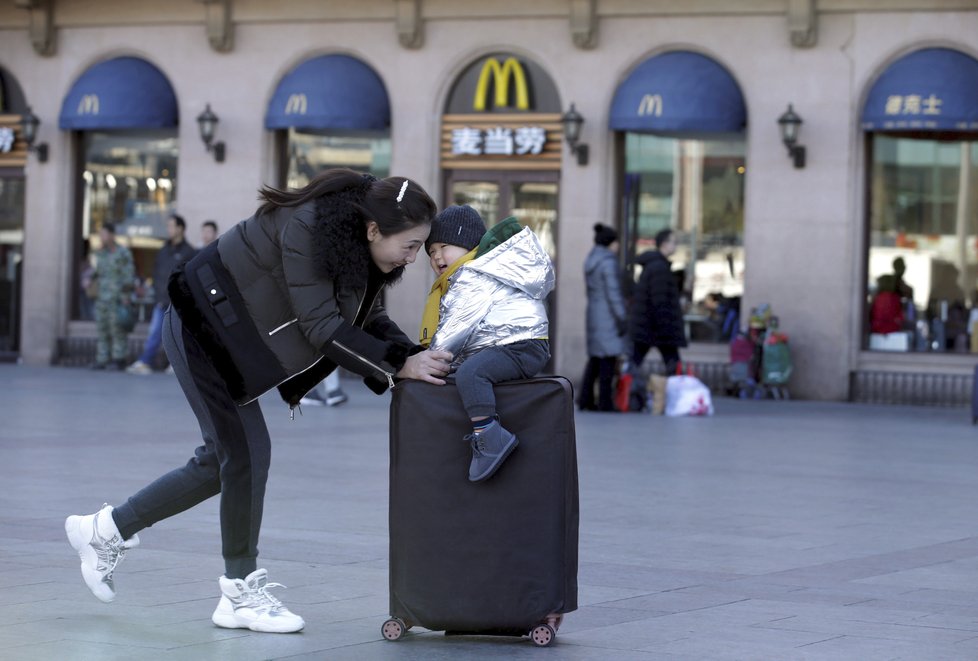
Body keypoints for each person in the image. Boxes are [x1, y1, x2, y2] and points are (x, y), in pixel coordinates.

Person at [65, 169, 452, 633]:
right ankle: (239, 589)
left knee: (222, 462)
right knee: (246, 456)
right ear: (374, 230)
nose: (413, 258)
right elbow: (323, 327)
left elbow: (368, 317)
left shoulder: (360, 250)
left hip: (233, 344)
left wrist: (410, 354)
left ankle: (105, 530)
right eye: (410, 246)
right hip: (200, 331)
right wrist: (397, 366)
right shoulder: (309, 228)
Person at [420, 205, 553, 482]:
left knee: (472, 373)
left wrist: (429, 361)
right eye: (431, 252)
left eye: (444, 246)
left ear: (467, 244)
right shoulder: (470, 273)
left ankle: (490, 437)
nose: (437, 257)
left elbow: (454, 331)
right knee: (463, 372)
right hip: (508, 342)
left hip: (520, 344)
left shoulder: (473, 275)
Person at [127, 214, 197, 374]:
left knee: (178, 335)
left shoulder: (189, 251)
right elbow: (156, 274)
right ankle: (145, 361)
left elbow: (190, 277)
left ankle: (176, 365)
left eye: (172, 226)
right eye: (168, 226)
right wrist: (159, 294)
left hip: (180, 301)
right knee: (155, 331)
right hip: (162, 299)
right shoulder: (164, 250)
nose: (169, 229)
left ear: (180, 228)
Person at [579, 223, 627, 411]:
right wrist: (622, 317)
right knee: (608, 359)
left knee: (595, 360)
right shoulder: (608, 262)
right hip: (607, 316)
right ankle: (605, 402)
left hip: (594, 313)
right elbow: (613, 293)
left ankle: (585, 399)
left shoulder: (591, 259)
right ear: (611, 243)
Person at [630, 228, 687, 376]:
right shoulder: (659, 267)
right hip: (656, 327)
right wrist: (665, 326)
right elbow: (659, 300)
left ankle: (623, 390)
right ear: (664, 244)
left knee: (636, 360)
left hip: (650, 327)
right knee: (672, 363)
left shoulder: (656, 265)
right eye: (674, 242)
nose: (675, 246)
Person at [90, 222, 136, 370]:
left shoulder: (123, 253)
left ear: (111, 235)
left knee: (118, 330)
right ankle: (102, 358)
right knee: (102, 329)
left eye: (104, 234)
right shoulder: (99, 254)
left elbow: (129, 276)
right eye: (100, 234)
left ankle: (119, 358)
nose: (101, 237)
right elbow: (95, 274)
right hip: (101, 298)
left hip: (117, 299)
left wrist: (126, 296)